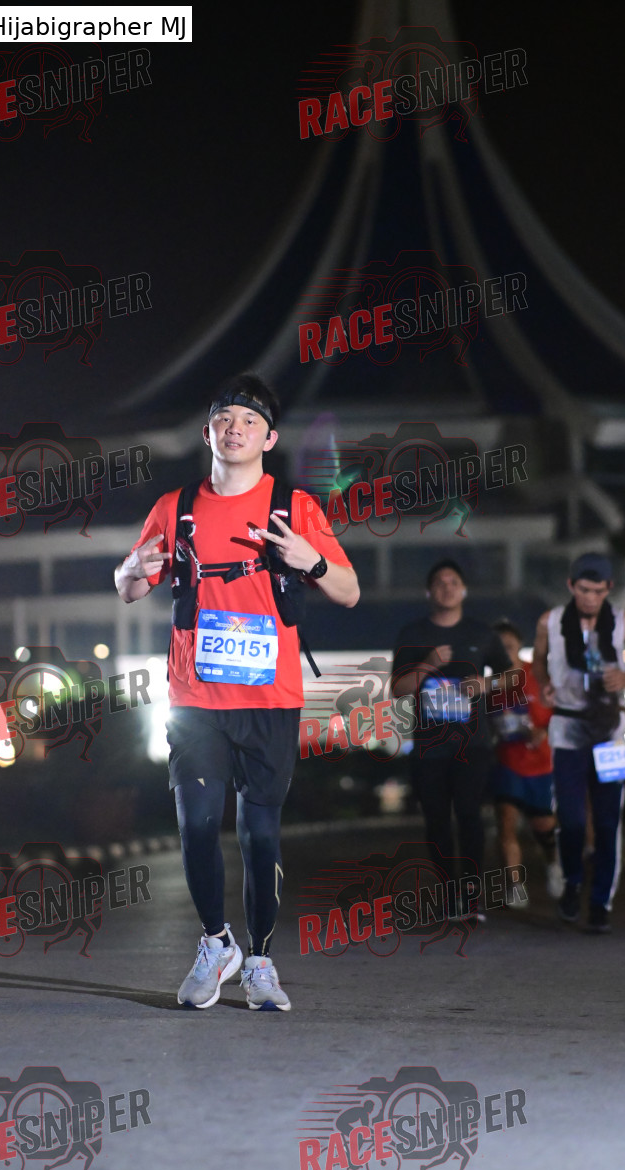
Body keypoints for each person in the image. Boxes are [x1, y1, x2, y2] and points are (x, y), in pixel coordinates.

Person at [114, 373, 359, 1009]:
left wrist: (313, 561)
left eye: (250, 421)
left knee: (260, 837)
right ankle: (215, 942)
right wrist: (125, 571)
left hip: (270, 700)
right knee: (196, 825)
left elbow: (349, 590)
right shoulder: (175, 508)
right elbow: (132, 587)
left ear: (269, 439)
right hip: (195, 698)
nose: (235, 428)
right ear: (207, 433)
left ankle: (260, 961)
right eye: (224, 418)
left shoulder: (294, 508)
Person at [532, 552, 625, 932]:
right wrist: (545, 684)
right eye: (584, 590)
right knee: (569, 820)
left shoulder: (624, 621)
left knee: (607, 822)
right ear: (571, 586)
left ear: (608, 589)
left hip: (611, 732)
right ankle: (572, 884)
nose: (590, 598)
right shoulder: (550, 621)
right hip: (568, 729)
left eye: (598, 591)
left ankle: (601, 902)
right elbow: (538, 662)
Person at [391, 561, 517, 917]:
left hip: (472, 744)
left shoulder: (480, 633)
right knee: (436, 821)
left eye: (453, 582)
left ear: (463, 590)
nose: (447, 588)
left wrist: (486, 684)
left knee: (469, 815)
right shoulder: (413, 633)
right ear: (429, 592)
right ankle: (448, 895)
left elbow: (514, 676)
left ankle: (472, 895)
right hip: (429, 747)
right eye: (439, 583)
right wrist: (427, 665)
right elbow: (398, 689)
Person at [489, 619, 563, 907]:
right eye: (498, 647)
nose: (504, 652)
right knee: (506, 823)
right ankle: (515, 886)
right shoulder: (490, 685)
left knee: (543, 825)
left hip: (542, 765)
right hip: (507, 763)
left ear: (519, 645)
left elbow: (562, 713)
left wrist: (543, 730)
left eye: (508, 646)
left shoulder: (540, 675)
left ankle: (553, 863)